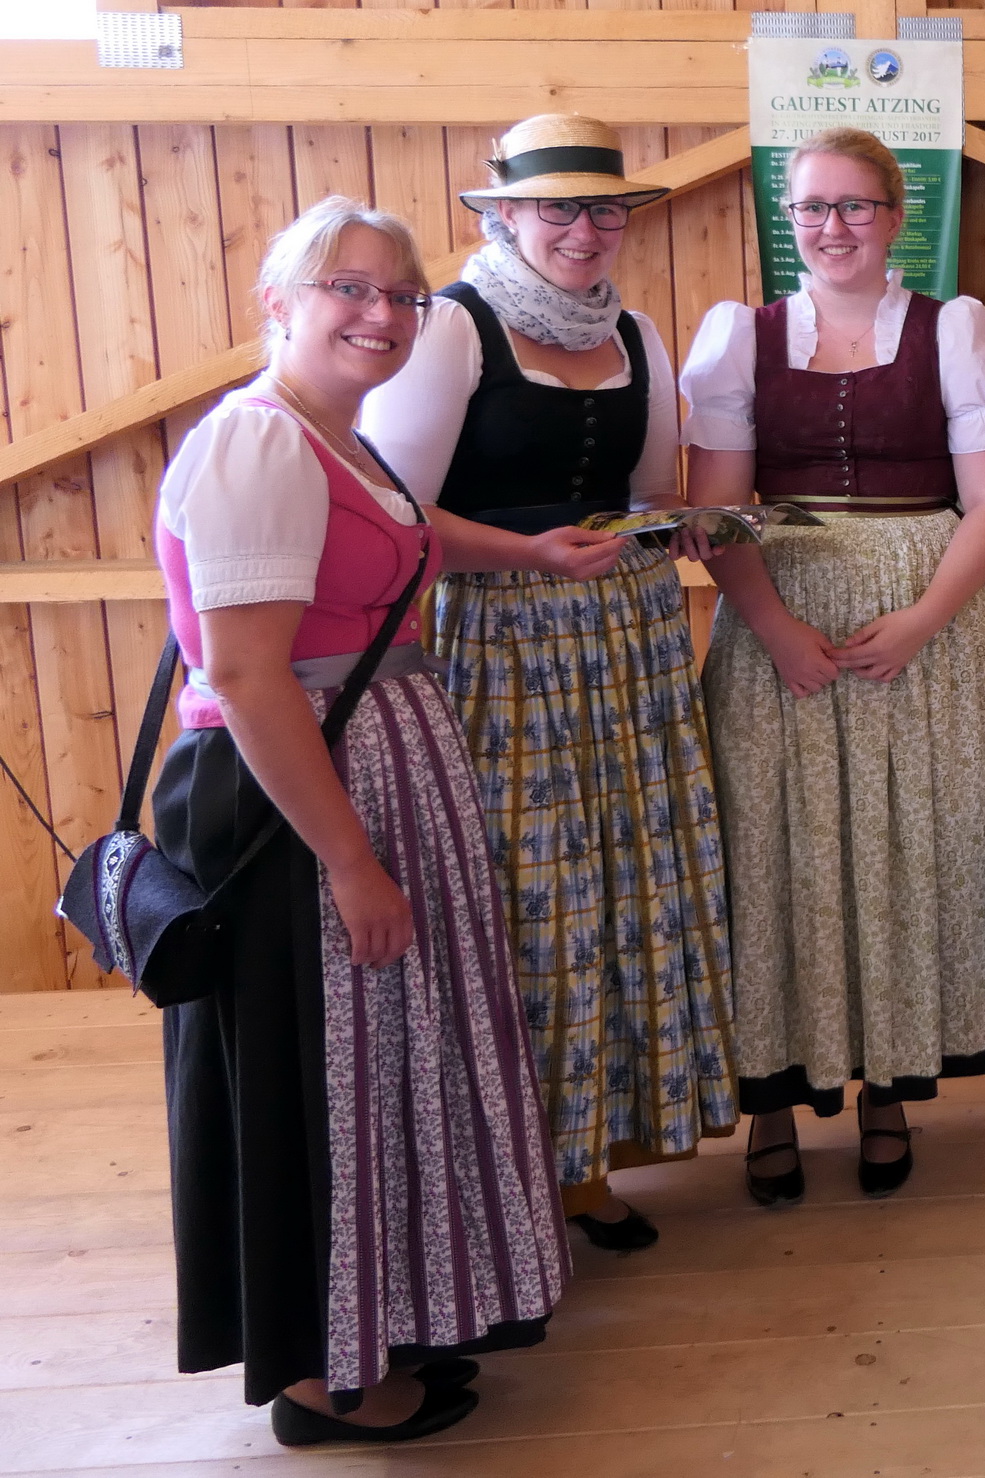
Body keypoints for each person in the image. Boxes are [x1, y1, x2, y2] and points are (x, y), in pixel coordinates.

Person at [152, 197, 567, 1444]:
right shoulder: (259, 442)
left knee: (376, 1061)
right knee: (313, 1071)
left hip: (368, 776)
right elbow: (248, 673)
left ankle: (380, 1317)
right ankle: (315, 1376)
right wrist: (350, 859)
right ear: (279, 301)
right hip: (296, 805)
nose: (381, 313)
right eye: (349, 287)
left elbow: (406, 532)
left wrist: (538, 555)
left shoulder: (338, 440)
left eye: (402, 294)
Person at [363, 114, 737, 1253]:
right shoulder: (453, 328)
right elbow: (390, 513)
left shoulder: (636, 330)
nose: (583, 228)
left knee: (621, 887)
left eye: (603, 207)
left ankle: (591, 1162)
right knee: (527, 895)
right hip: (500, 641)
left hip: (624, 640)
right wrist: (526, 551)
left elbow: (645, 489)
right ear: (508, 215)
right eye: (557, 207)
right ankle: (505, 1172)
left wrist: (680, 526)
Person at [678, 127, 985, 1203]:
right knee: (774, 849)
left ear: (894, 216)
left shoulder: (953, 329)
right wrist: (774, 627)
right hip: (775, 628)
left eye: (855, 206)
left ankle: (889, 1081)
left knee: (907, 845)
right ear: (790, 221)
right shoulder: (741, 336)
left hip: (925, 632)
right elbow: (717, 512)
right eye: (812, 207)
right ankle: (772, 1098)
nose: (833, 227)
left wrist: (921, 619)